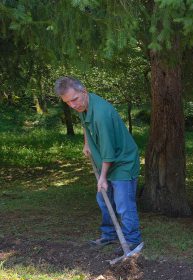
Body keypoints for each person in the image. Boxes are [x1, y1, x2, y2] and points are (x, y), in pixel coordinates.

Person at [54, 77, 143, 255]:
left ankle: (133, 241)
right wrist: (86, 143)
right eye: (68, 102)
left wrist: (102, 177)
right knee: (104, 199)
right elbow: (86, 125)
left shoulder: (101, 114)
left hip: (122, 161)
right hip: (107, 159)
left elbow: (109, 153)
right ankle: (109, 234)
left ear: (84, 91)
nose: (72, 105)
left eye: (74, 99)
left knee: (123, 204)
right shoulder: (83, 105)